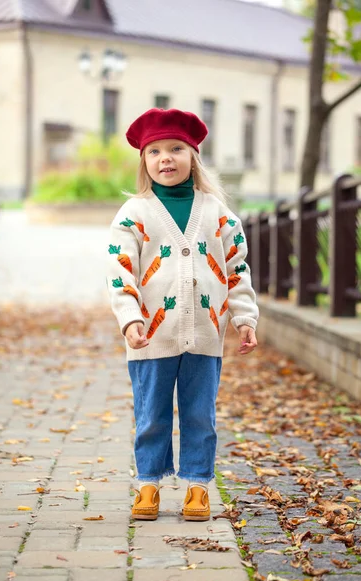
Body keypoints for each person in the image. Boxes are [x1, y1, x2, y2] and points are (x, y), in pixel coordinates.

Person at [106, 108, 258, 522]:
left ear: (193, 155)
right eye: (154, 151)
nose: (165, 158)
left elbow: (236, 269)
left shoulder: (218, 213)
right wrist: (129, 317)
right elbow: (120, 272)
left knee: (199, 414)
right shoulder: (134, 214)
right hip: (150, 336)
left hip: (206, 332)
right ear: (144, 161)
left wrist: (245, 318)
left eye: (176, 149)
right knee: (151, 414)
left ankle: (197, 486)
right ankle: (148, 485)